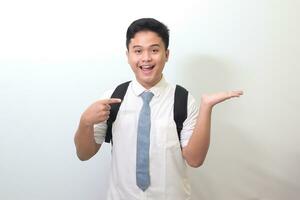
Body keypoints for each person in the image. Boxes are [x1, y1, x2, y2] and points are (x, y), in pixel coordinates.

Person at [74, 18, 243, 200]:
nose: (146, 58)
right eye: (138, 51)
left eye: (154, 50)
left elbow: (195, 159)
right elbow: (84, 154)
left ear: (167, 54)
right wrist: (85, 122)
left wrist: (206, 108)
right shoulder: (112, 99)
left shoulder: (183, 100)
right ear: (128, 55)